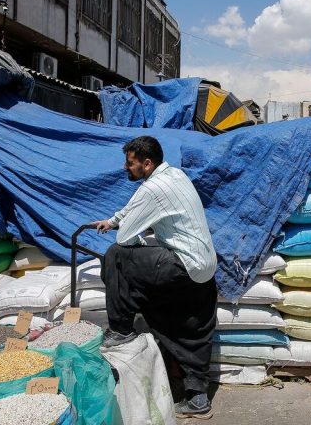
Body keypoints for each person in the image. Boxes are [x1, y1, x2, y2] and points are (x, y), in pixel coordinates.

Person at [92, 135, 217, 420]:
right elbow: (134, 205)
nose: (126, 168)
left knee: (116, 256)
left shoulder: (154, 188)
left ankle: (121, 329)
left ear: (147, 164)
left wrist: (121, 229)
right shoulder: (173, 174)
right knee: (188, 325)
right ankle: (198, 398)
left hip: (182, 265)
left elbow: (125, 239)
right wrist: (112, 220)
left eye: (130, 163)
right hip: (204, 268)